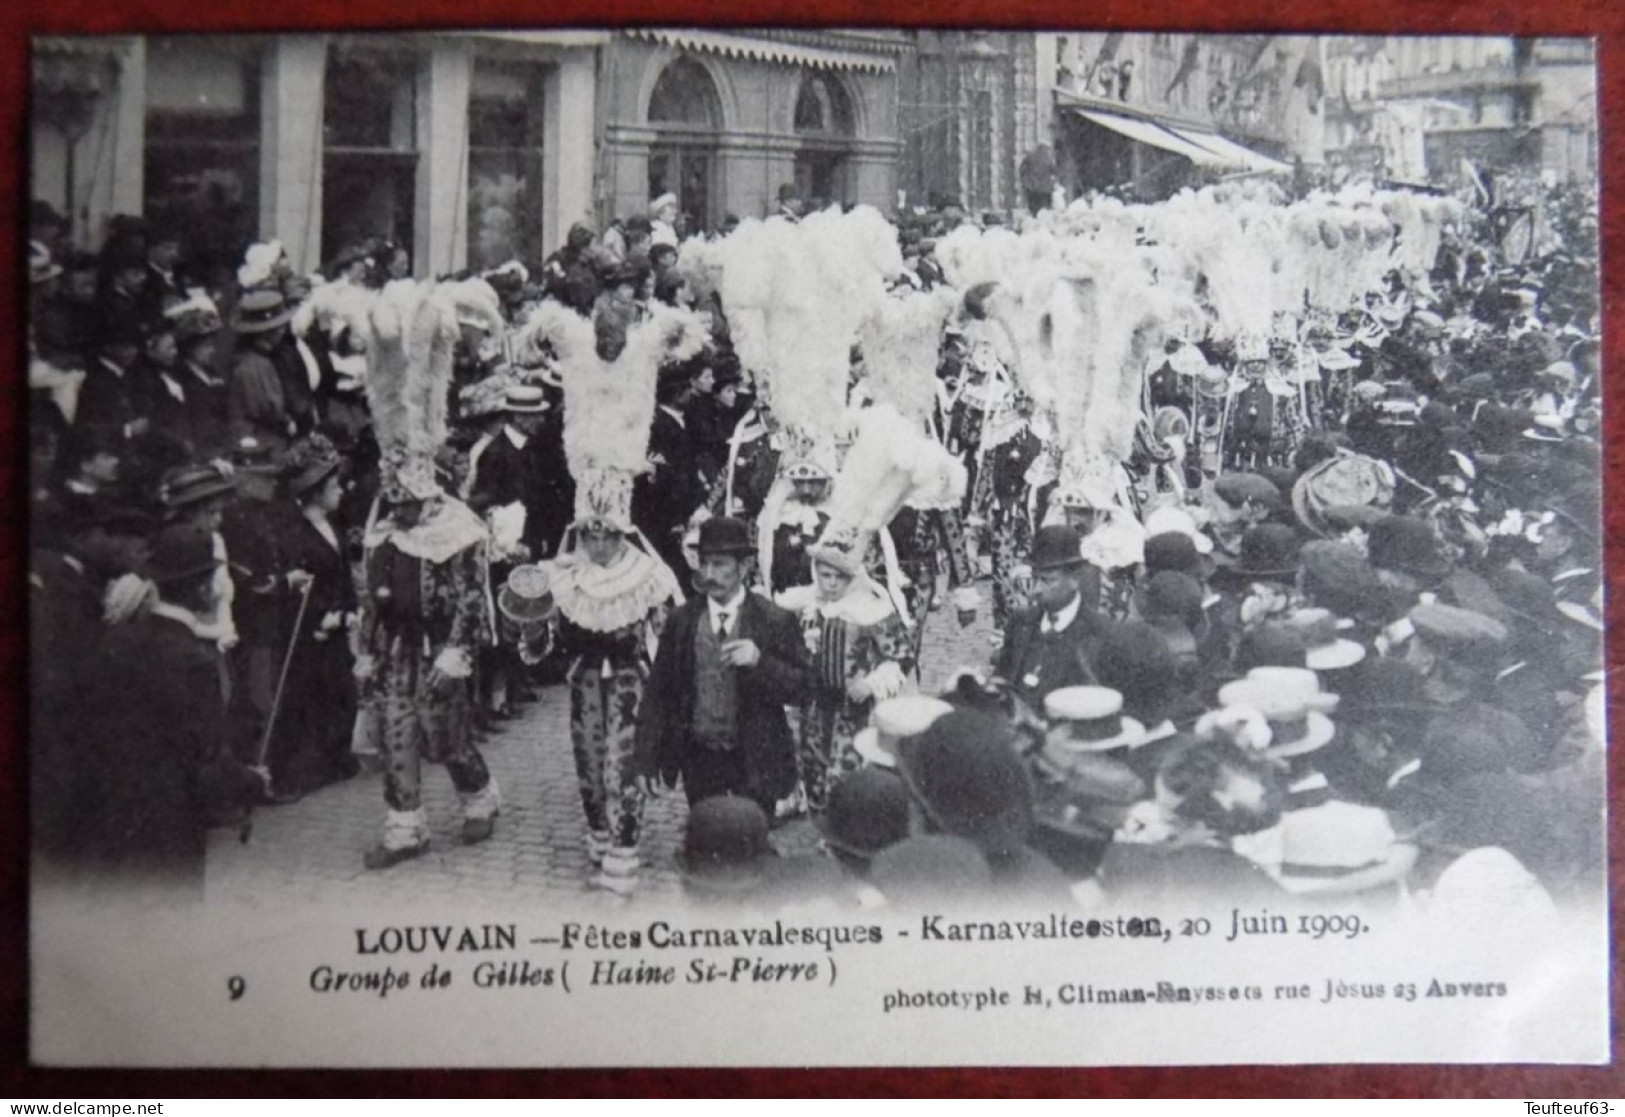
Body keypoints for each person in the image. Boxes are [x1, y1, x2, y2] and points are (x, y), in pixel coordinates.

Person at [637, 516, 812, 817]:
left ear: (743, 568)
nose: (709, 574)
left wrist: (761, 663)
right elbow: (657, 694)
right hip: (700, 761)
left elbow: (805, 689)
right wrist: (646, 759)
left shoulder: (773, 620)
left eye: (719, 564)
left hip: (755, 762)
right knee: (706, 844)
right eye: (703, 563)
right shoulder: (682, 621)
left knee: (751, 848)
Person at [994, 523, 1107, 709]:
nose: (1035, 590)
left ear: (1075, 579)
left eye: (1047, 580)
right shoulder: (1021, 621)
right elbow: (1002, 680)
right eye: (1034, 578)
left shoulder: (1098, 632)